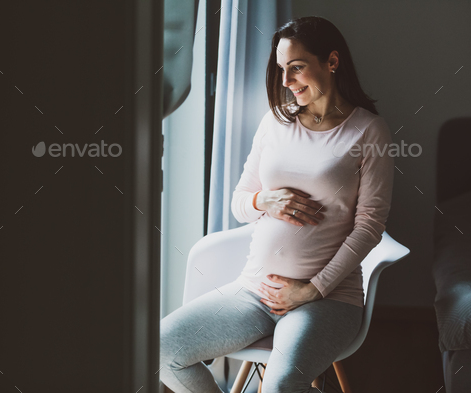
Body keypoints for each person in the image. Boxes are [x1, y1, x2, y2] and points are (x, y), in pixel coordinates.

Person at [160, 16, 394, 392]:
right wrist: (264, 200)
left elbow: (370, 226)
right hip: (255, 291)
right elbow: (239, 203)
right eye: (282, 69)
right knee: (161, 349)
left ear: (331, 62)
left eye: (296, 68)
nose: (286, 81)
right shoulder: (275, 121)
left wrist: (312, 289)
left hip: (328, 299)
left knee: (280, 385)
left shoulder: (368, 130)